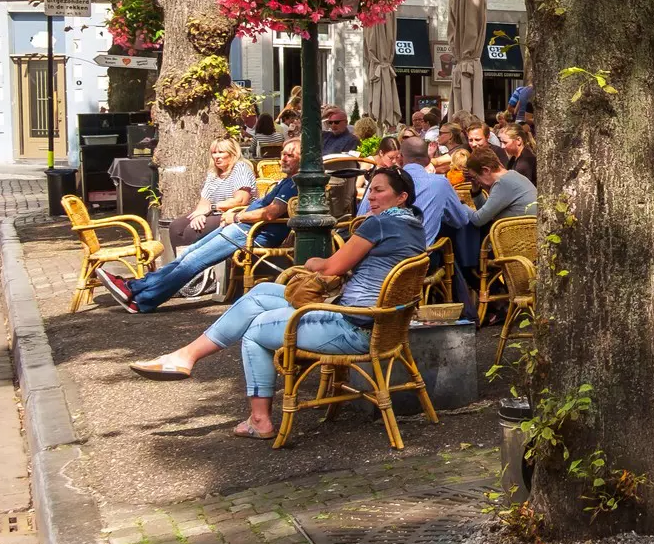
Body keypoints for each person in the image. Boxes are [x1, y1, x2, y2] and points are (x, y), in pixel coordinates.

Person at [128, 166, 429, 438]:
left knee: (255, 331)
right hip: (383, 324)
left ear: (401, 197)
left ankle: (259, 420)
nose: (372, 197)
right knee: (259, 295)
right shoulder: (413, 225)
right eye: (371, 189)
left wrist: (313, 261)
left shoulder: (377, 225)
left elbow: (331, 268)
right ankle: (186, 356)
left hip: (355, 327)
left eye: (380, 191)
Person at [103, 141, 301, 312]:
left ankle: (144, 301)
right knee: (187, 255)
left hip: (250, 232)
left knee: (193, 262)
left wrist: (237, 216)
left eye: (290, 155)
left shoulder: (295, 183)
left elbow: (270, 213)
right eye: (283, 154)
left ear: (303, 159)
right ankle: (134, 287)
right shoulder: (285, 180)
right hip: (242, 227)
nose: (283, 158)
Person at [166, 139, 257, 249]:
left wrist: (211, 207)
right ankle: (181, 262)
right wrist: (200, 214)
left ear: (233, 153)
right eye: (214, 153)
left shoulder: (240, 168)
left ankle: (195, 263)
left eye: (221, 152)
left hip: (236, 214)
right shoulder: (213, 173)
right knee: (176, 227)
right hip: (215, 213)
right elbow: (204, 201)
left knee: (193, 231)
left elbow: (240, 201)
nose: (217, 156)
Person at [463, 145, 539, 232]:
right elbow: (486, 213)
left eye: (475, 176)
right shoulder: (511, 176)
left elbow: (478, 220)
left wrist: (460, 204)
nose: (476, 180)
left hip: (522, 237)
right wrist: (476, 190)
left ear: (486, 170)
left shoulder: (503, 183)